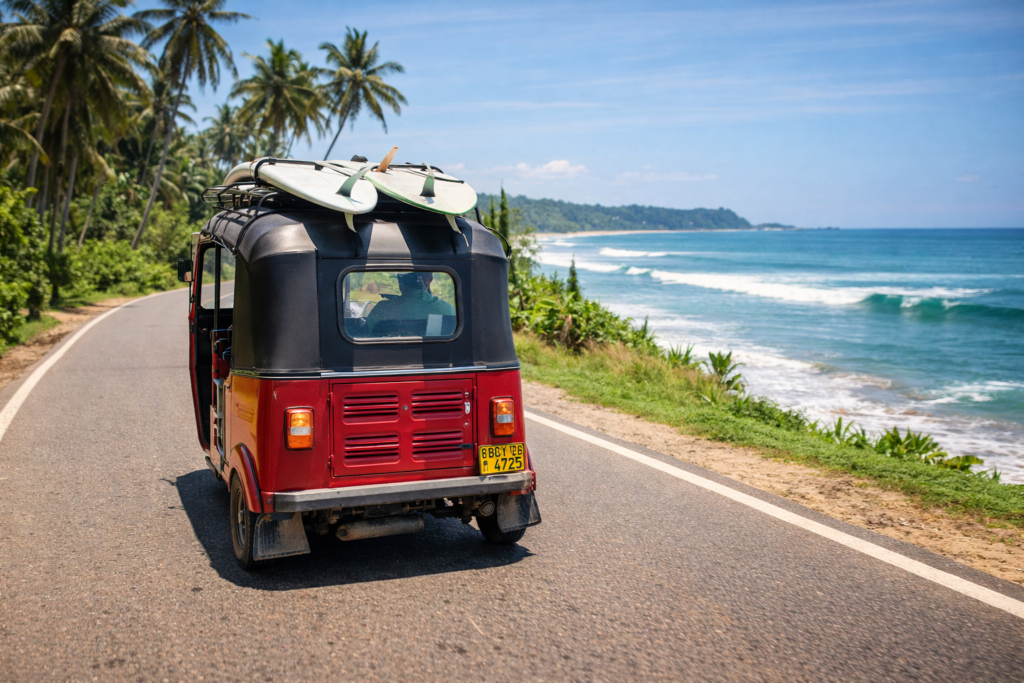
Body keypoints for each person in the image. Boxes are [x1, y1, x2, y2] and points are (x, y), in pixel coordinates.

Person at [366, 272, 454, 335]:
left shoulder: (381, 309)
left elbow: (367, 336)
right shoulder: (447, 309)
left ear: (400, 283)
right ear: (430, 279)